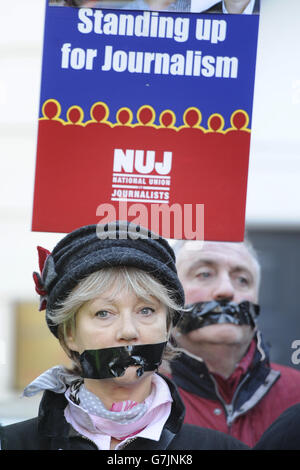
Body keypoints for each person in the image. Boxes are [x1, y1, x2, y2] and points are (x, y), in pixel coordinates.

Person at [0, 222, 248, 450]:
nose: (128, 331)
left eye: (146, 310)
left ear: (167, 325)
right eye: (104, 313)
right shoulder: (12, 444)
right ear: (69, 334)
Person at [166, 239, 300, 447]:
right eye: (205, 274)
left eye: (243, 280)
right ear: (169, 294)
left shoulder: (297, 394)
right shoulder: (136, 396)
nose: (227, 290)